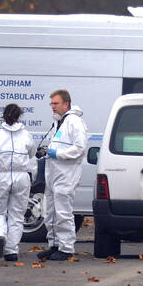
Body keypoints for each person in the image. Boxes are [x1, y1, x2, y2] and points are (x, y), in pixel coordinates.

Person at [0, 103, 37, 262]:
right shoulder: (26, 135)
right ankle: (11, 251)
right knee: (16, 215)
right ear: (19, 116)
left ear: (3, 116)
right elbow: (32, 154)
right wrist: (32, 176)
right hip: (21, 177)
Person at [37, 89, 88, 261]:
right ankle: (54, 245)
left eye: (56, 103)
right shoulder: (59, 122)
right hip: (53, 174)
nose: (53, 107)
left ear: (66, 104)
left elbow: (79, 149)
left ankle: (66, 248)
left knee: (63, 211)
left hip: (66, 175)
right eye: (51, 103)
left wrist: (57, 154)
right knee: (50, 211)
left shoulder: (74, 122)